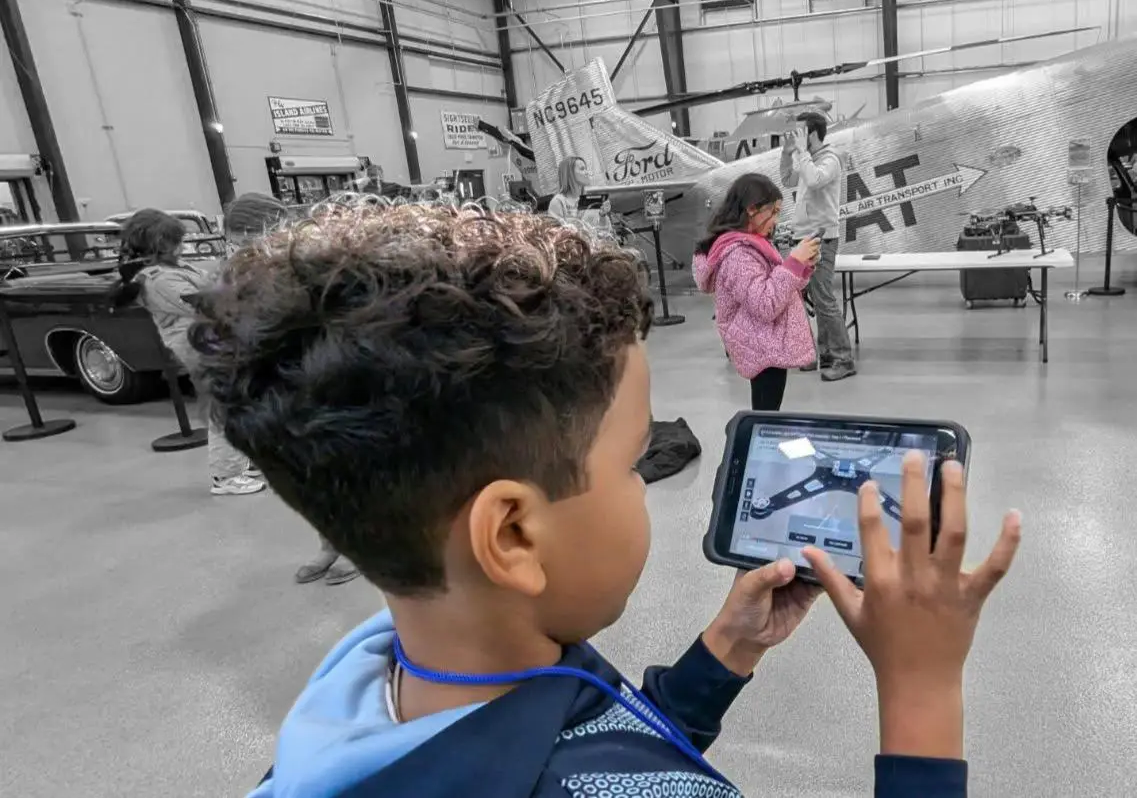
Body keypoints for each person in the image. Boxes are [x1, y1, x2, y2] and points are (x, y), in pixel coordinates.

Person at [189, 204, 1021, 798]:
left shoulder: (364, 679)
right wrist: (921, 691)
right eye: (632, 464)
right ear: (512, 534)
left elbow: (584, 744)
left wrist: (718, 659)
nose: (646, 484)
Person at [223, 193, 359, 586]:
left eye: (245, 238)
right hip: (279, 384)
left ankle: (359, 547)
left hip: (324, 380)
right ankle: (328, 545)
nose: (239, 247)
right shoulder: (237, 271)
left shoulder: (313, 263)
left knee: (346, 474)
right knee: (307, 477)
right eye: (234, 240)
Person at [117, 209, 265, 496]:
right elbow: (205, 303)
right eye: (176, 241)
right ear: (159, 244)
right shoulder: (159, 279)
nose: (182, 246)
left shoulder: (174, 269)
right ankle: (226, 475)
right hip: (200, 345)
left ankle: (236, 463)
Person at [694, 174, 819, 411]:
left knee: (767, 408)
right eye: (773, 212)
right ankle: (757, 443)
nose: (776, 220)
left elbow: (780, 287)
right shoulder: (738, 255)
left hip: (766, 342)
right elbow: (765, 304)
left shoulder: (754, 242)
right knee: (766, 412)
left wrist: (801, 266)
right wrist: (792, 263)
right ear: (752, 209)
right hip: (761, 345)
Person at [780, 111, 856, 382]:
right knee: (815, 296)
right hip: (804, 237)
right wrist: (787, 153)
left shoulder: (830, 159)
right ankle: (824, 353)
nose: (795, 135)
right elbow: (788, 180)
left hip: (821, 237)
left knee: (824, 299)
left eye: (799, 131)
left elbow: (813, 180)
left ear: (811, 133)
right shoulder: (807, 158)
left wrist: (802, 152)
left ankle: (843, 359)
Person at [547, 155, 611, 232]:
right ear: (569, 173)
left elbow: (605, 233)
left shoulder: (593, 198)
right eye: (582, 169)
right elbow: (555, 233)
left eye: (586, 169)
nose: (587, 172)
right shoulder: (558, 201)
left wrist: (602, 215)